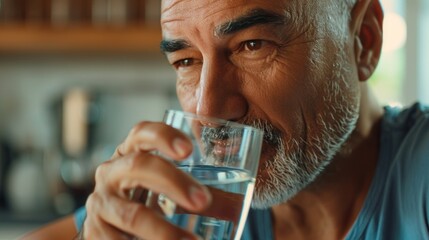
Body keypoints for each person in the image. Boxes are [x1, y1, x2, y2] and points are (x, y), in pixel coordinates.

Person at [23, 0, 429, 239]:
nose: (209, 111)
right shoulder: (188, 189)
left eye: (252, 45)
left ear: (364, 39)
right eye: (185, 61)